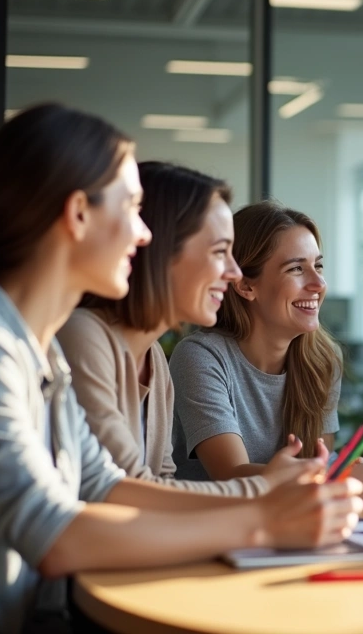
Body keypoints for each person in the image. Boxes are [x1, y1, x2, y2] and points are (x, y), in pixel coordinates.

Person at [0, 104, 362, 633]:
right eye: (131, 208)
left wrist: (268, 496)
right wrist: (263, 517)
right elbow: (53, 535)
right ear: (79, 214)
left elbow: (106, 484)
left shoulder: (40, 349)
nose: (144, 234)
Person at [58, 162, 313, 497]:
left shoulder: (154, 361)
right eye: (220, 251)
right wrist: (266, 488)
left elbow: (162, 484)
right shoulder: (83, 337)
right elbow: (128, 492)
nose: (235, 272)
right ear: (162, 250)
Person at [170, 201, 363, 505]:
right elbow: (230, 474)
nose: (318, 284)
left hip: (292, 524)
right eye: (296, 268)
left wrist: (350, 472)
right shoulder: (200, 357)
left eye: (318, 266)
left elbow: (317, 460)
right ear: (245, 286)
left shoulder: (323, 358)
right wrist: (338, 479)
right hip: (213, 529)